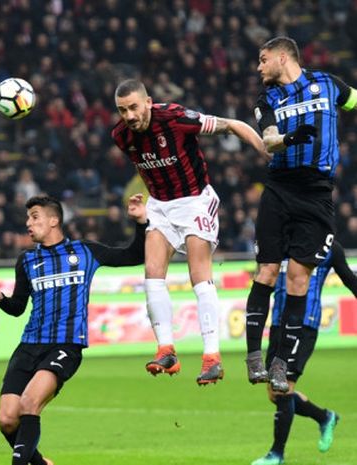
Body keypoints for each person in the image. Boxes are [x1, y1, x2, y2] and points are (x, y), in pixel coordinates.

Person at [111, 79, 268, 384]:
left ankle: (212, 357)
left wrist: (264, 150)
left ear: (148, 102)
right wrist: (146, 207)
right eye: (122, 110)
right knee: (152, 273)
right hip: (158, 205)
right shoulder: (121, 136)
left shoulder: (176, 118)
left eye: (133, 107)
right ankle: (166, 349)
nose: (129, 115)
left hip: (196, 201)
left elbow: (232, 125)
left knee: (199, 274)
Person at [0, 194, 147, 465]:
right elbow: (18, 308)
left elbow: (134, 255)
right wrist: (1, 299)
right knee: (7, 419)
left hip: (65, 345)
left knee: (29, 404)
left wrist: (140, 221)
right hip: (29, 345)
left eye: (34, 217)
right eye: (27, 218)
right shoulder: (26, 261)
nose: (28, 223)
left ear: (54, 220)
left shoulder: (85, 251)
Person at [246, 36, 357, 393]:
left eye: (263, 60)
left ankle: (279, 361)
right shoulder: (268, 99)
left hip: (316, 194)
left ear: (282, 57)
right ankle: (253, 357)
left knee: (298, 279)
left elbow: (355, 99)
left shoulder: (328, 84)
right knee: (266, 271)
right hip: (280, 187)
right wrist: (292, 139)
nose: (259, 66)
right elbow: (269, 140)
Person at [251, 240, 356, 465]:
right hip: (278, 324)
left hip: (304, 325)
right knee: (273, 392)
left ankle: (276, 453)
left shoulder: (330, 248)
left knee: (283, 388)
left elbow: (349, 279)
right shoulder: (281, 242)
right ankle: (325, 417)